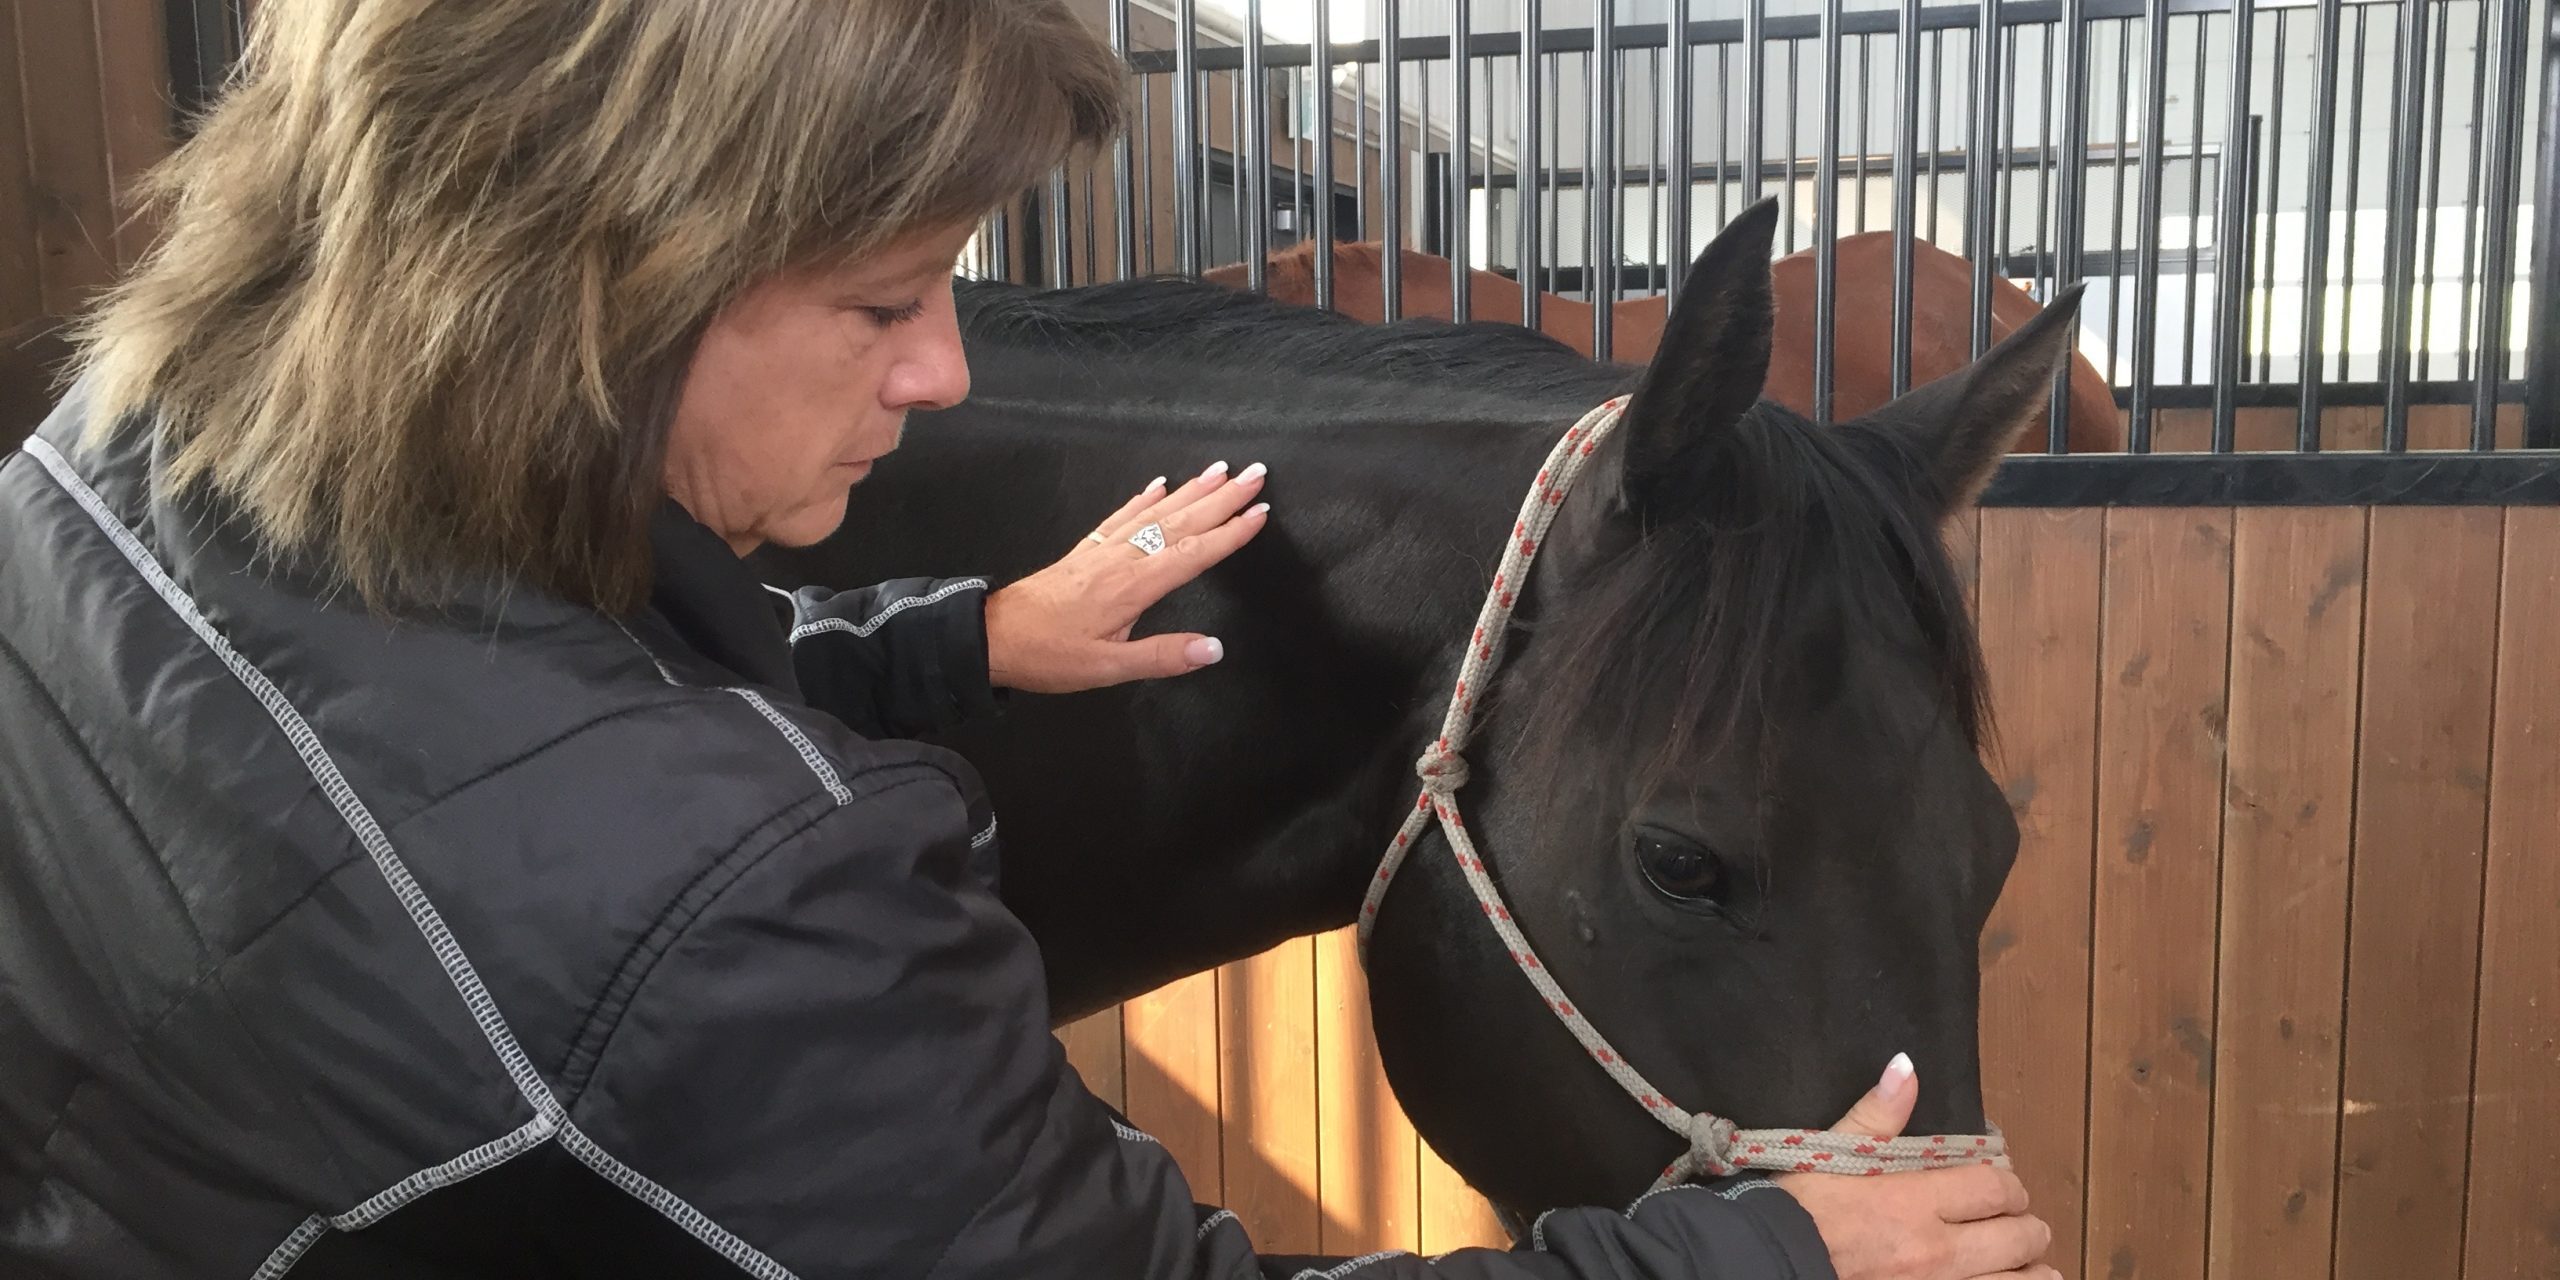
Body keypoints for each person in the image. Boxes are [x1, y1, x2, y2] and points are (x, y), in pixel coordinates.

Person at [0, 2, 2057, 1277]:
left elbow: (486, 755)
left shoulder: (107, 472)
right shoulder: (727, 919)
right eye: (883, 302)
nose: (946, 373)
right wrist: (1751, 1263)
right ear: (589, 284)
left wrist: (943, 646)